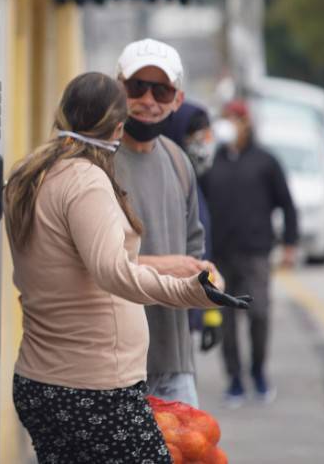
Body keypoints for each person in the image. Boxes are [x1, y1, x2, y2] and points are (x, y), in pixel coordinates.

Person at [5, 72, 248, 464]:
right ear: (118, 127)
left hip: (43, 380)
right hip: (94, 389)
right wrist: (191, 291)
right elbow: (113, 273)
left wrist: (170, 268)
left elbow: (73, 264)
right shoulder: (86, 180)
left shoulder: (31, 174)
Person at [113, 39, 211, 407]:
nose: (149, 100)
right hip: (112, 368)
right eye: (137, 87)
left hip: (175, 365)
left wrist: (209, 282)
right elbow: (84, 265)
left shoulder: (178, 162)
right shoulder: (93, 161)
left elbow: (194, 251)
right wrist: (168, 268)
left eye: (162, 90)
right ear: (117, 88)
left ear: (177, 100)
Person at [205, 99, 298, 406]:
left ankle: (258, 371)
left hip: (256, 252)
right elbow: (197, 210)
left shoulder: (265, 161)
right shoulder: (210, 164)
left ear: (247, 123)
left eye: (235, 119)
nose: (229, 124)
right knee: (226, 320)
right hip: (220, 255)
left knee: (259, 314)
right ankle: (234, 379)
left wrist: (290, 243)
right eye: (225, 118)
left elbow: (286, 203)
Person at [162, 101, 223, 352]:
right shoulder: (166, 184)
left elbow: (203, 251)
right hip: (164, 315)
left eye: (207, 136)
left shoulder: (195, 183)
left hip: (187, 314)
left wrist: (211, 315)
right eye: (196, 137)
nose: (203, 145)